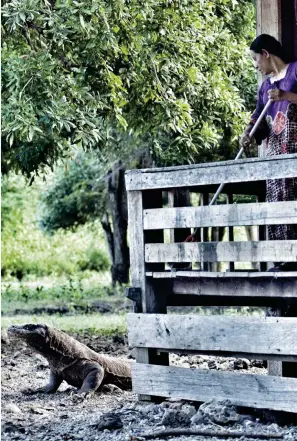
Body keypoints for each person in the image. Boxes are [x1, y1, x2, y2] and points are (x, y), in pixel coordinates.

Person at [240, 34, 297, 271]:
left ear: (265, 53)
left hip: (295, 154)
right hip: (275, 156)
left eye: (256, 59)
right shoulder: (265, 87)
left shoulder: (295, 72)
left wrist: (286, 96)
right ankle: (283, 260)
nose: (256, 66)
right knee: (276, 204)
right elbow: (258, 120)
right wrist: (248, 134)